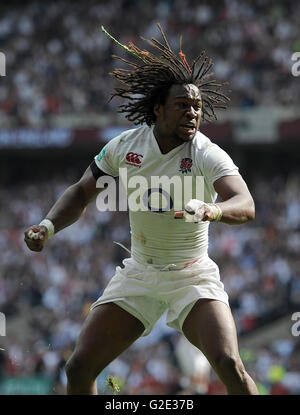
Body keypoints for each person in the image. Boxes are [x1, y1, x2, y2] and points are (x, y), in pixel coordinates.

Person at [24, 25, 258, 395]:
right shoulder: (125, 147)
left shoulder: (204, 151)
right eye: (183, 105)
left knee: (229, 364)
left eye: (197, 106)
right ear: (158, 109)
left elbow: (245, 204)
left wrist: (212, 210)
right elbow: (83, 191)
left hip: (192, 276)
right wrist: (47, 226)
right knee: (79, 367)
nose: (193, 114)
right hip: (140, 274)